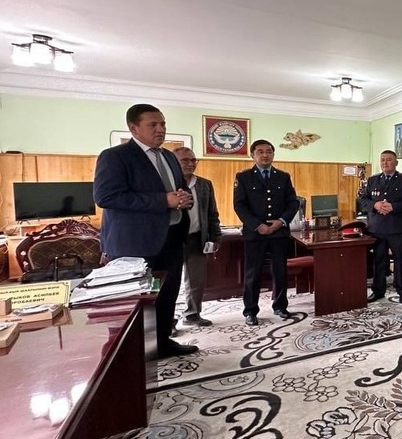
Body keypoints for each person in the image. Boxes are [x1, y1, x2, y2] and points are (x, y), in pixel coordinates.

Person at [93, 103, 198, 358]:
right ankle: (132, 353)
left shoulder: (169, 157)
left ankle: (162, 342)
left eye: (163, 124)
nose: (160, 129)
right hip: (134, 243)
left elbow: (179, 189)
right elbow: (106, 196)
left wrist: (184, 198)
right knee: (135, 299)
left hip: (171, 238)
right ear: (134, 128)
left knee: (168, 294)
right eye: (153, 125)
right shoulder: (115, 156)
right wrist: (164, 200)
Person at [233, 139, 300, 326]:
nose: (265, 155)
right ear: (252, 155)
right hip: (255, 234)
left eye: (269, 151)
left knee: (280, 271)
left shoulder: (283, 177)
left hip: (279, 233)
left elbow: (293, 203)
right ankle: (250, 311)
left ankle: (280, 306)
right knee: (252, 273)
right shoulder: (243, 177)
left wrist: (281, 221)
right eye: (260, 152)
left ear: (273, 154)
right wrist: (257, 225)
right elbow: (239, 205)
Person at [174, 147, 222, 328]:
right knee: (169, 282)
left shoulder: (204, 184)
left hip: (196, 238)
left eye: (193, 160)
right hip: (172, 240)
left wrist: (215, 237)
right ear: (174, 162)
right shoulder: (167, 183)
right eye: (185, 160)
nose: (190, 164)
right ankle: (166, 321)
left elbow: (212, 213)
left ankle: (193, 314)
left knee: (197, 280)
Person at [360, 150, 402, 303]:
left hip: (397, 228)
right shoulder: (373, 180)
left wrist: (393, 207)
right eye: (382, 160)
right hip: (377, 228)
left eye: (389, 159)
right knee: (379, 261)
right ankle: (378, 291)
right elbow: (363, 200)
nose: (385, 162)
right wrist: (375, 205)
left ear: (396, 162)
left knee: (400, 261)